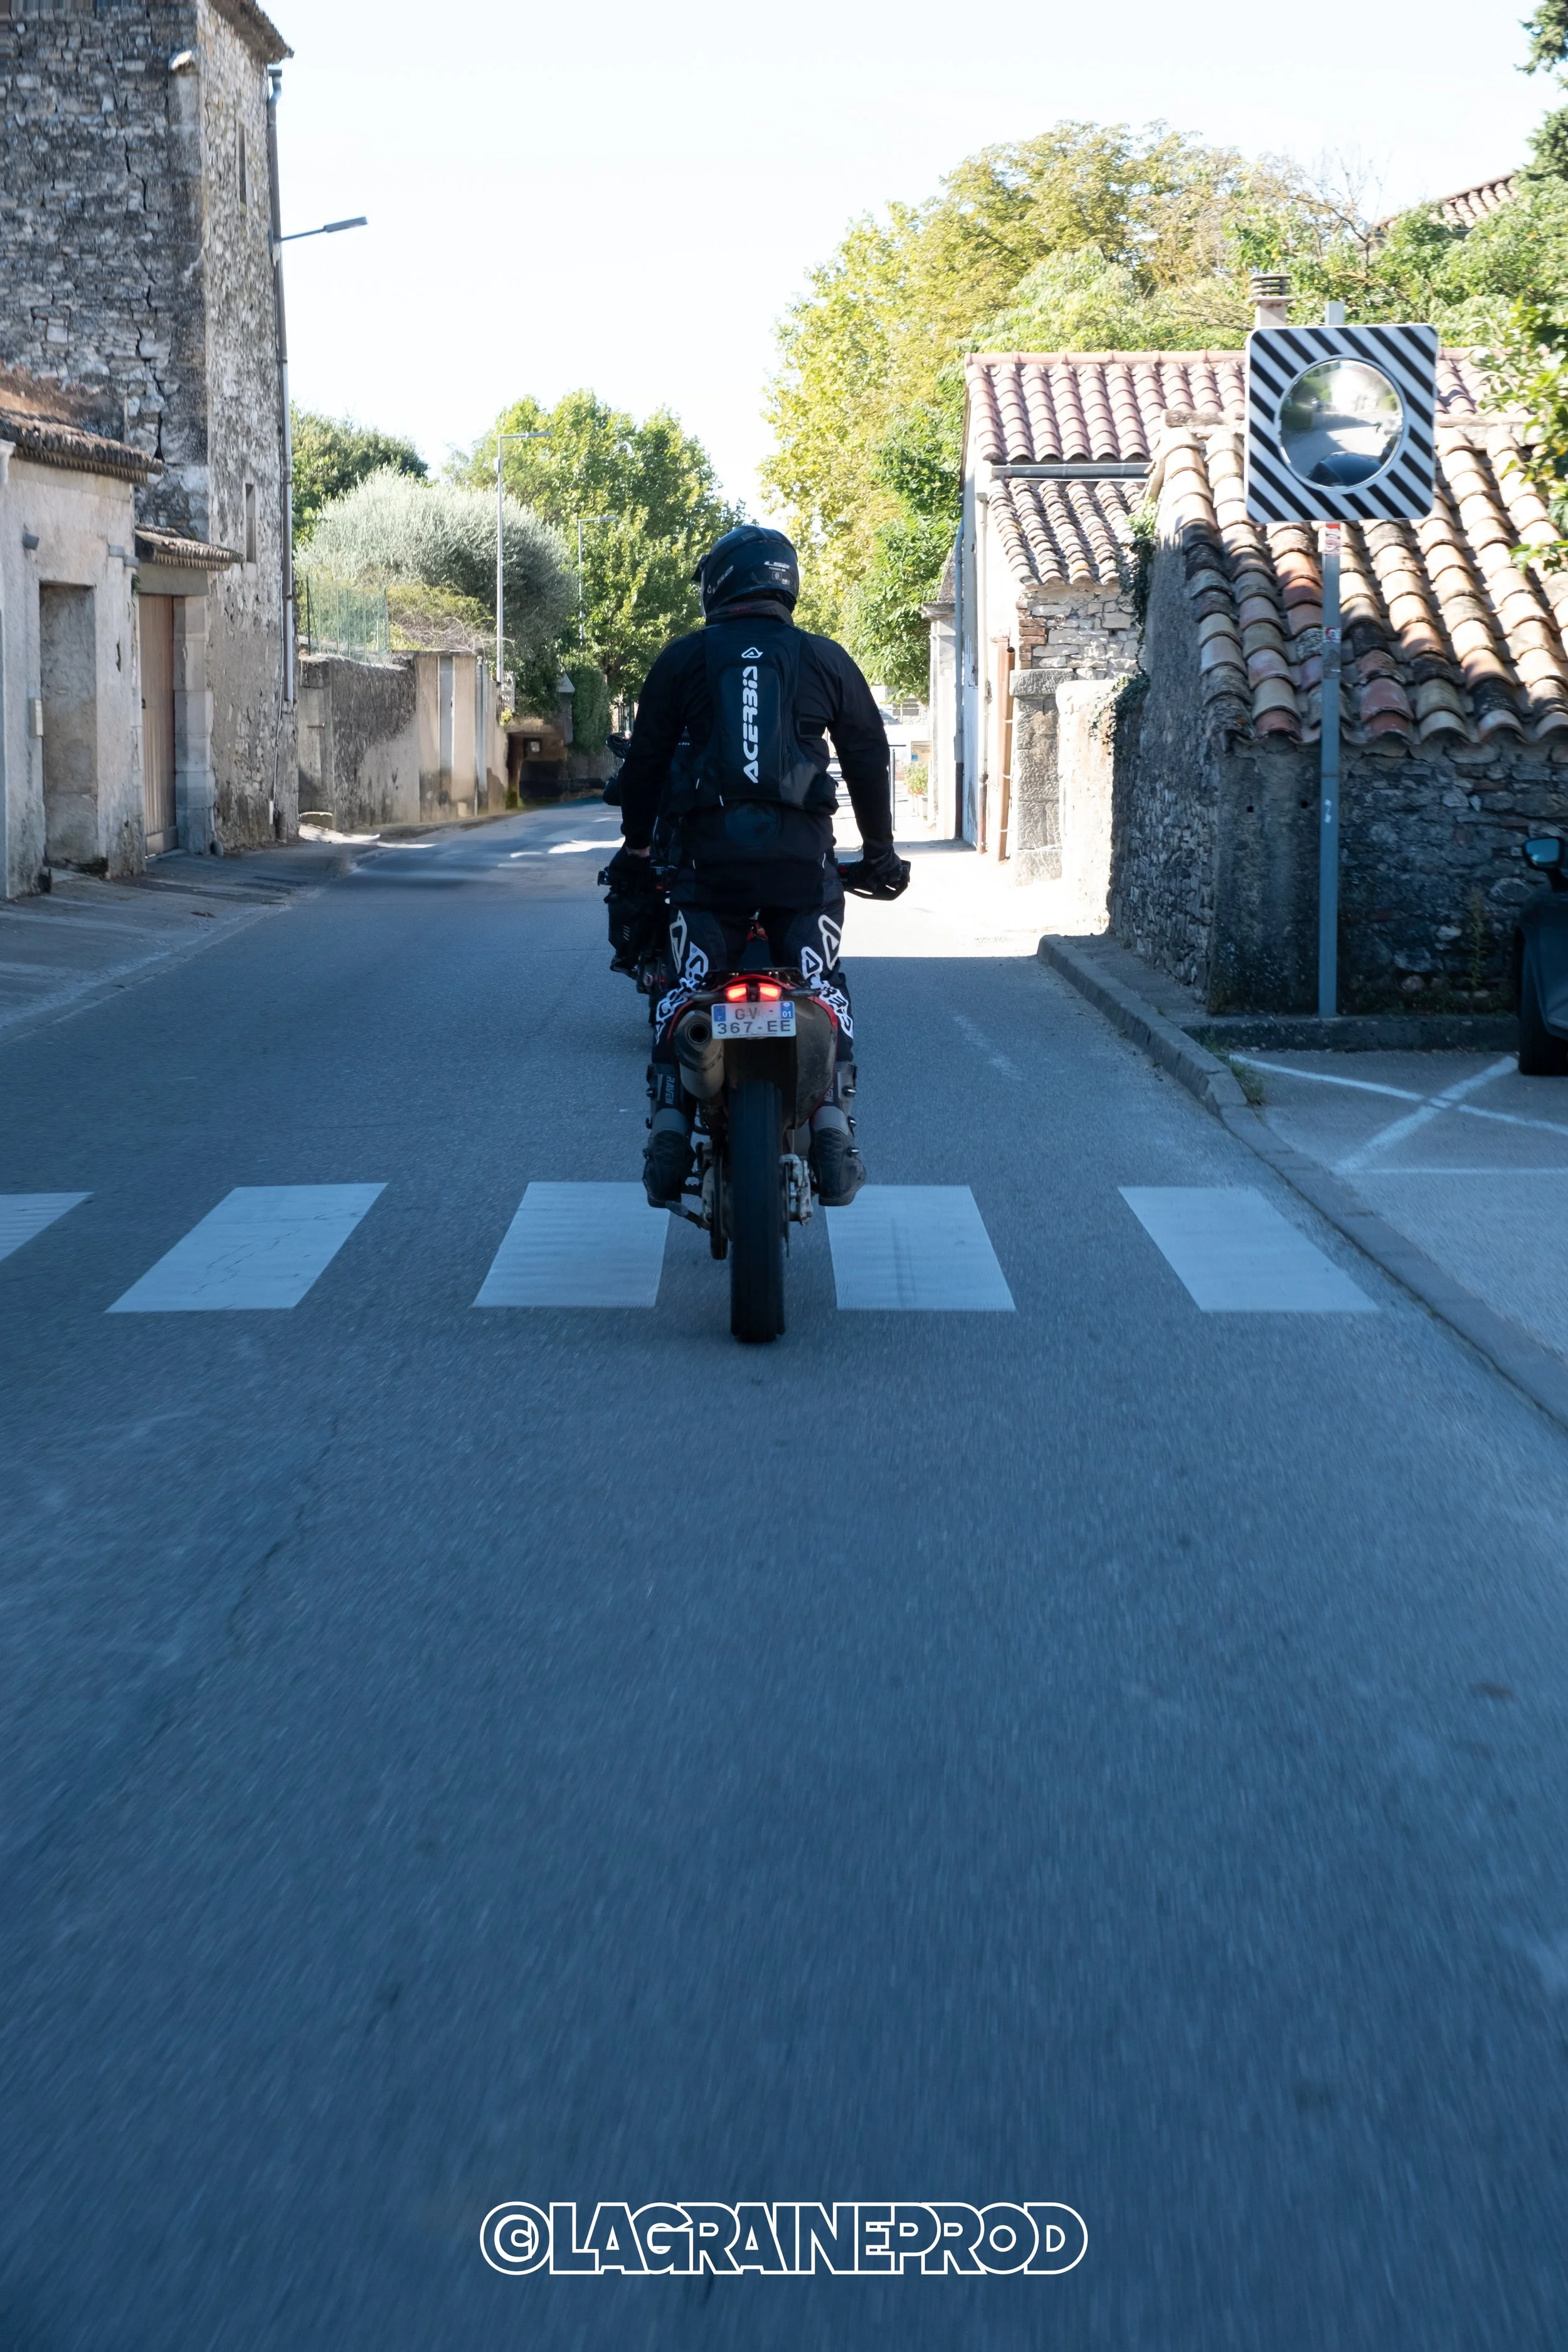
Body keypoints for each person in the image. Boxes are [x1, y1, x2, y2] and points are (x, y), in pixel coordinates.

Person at [604, 525, 908, 1209]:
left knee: (685, 991)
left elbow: (646, 761)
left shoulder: (683, 659)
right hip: (803, 876)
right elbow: (867, 754)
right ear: (785, 584)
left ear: (718, 585)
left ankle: (671, 1127)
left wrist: (638, 850)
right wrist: (879, 852)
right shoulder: (825, 659)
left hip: (705, 878)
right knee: (821, 988)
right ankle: (832, 1126)